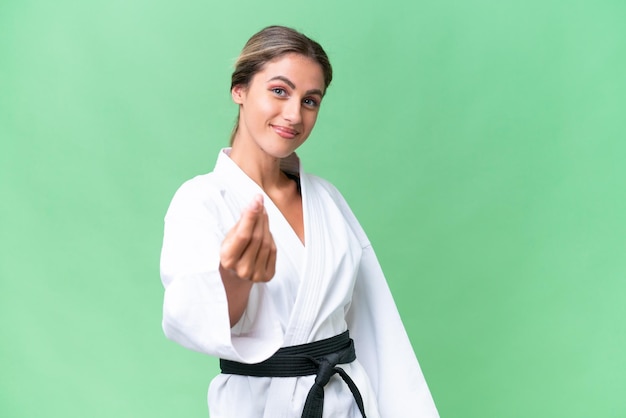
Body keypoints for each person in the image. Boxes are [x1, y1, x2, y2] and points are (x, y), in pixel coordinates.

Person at [160, 25, 438, 418]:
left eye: (311, 100)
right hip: (258, 405)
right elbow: (192, 318)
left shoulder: (326, 199)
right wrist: (236, 276)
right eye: (279, 90)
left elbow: (376, 324)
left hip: (345, 400)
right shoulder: (201, 200)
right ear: (239, 90)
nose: (294, 114)